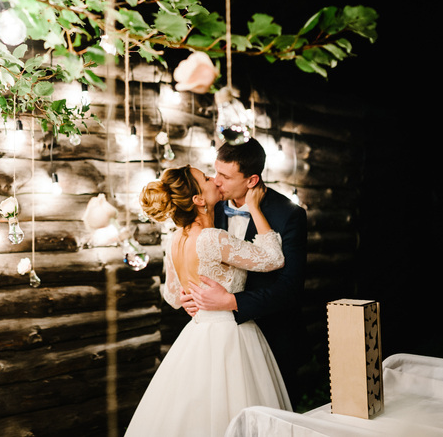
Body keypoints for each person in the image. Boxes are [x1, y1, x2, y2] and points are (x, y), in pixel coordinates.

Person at [124, 165, 291, 437]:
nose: (214, 180)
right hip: (231, 334)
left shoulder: (175, 238)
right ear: (198, 200)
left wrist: (190, 300)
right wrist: (255, 208)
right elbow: (274, 259)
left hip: (197, 334)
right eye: (206, 178)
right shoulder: (213, 238)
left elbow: (172, 297)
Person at [182, 138, 308, 405]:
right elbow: (199, 259)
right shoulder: (209, 208)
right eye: (215, 172)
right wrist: (189, 292)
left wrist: (232, 302)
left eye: (225, 176)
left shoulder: (289, 215)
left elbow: (290, 289)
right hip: (218, 342)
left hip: (272, 338)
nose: (216, 181)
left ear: (251, 180)